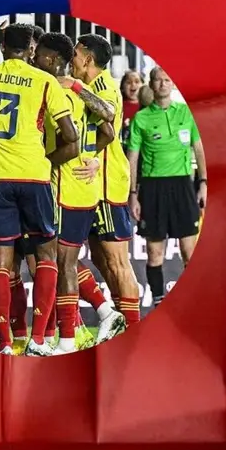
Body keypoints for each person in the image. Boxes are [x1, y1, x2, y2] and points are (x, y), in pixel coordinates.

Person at [0, 25, 79, 355]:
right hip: (34, 178)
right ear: (29, 48)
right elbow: (71, 137)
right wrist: (48, 160)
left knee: (0, 262)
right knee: (46, 256)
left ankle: (5, 344)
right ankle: (38, 339)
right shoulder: (45, 81)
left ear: (5, 47)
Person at [25, 32, 114, 356]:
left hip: (64, 187)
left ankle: (63, 339)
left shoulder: (62, 89)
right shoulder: (77, 90)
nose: (33, 59)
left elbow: (99, 124)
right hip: (81, 190)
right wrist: (93, 156)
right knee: (60, 262)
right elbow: (108, 127)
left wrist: (46, 166)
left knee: (57, 263)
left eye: (78, 52)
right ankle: (88, 320)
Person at [73, 34, 141, 339]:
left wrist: (73, 86)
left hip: (106, 186)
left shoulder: (103, 86)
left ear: (87, 58)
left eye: (75, 53)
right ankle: (113, 318)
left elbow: (108, 117)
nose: (70, 59)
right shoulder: (90, 85)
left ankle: (132, 332)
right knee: (99, 261)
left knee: (118, 263)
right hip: (90, 185)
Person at [126, 68, 207, 308]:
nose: (162, 84)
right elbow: (132, 158)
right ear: (150, 85)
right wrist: (133, 194)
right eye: (158, 80)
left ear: (173, 84)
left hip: (182, 184)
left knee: (190, 252)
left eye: (167, 80)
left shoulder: (186, 113)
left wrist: (203, 182)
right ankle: (160, 304)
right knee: (155, 253)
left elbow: (200, 149)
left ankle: (194, 305)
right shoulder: (141, 119)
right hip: (153, 188)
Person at [119, 70, 143, 146]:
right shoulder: (119, 106)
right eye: (129, 82)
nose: (133, 84)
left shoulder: (148, 107)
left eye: (137, 81)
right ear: (122, 87)